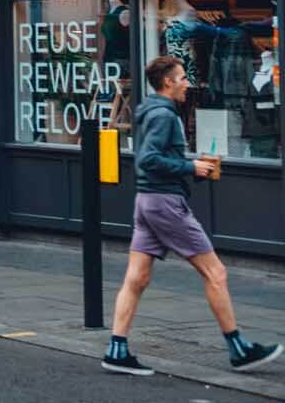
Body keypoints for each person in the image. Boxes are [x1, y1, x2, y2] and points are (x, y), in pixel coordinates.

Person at [101, 56, 281, 375]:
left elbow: (157, 158)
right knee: (216, 273)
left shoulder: (151, 111)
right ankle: (238, 348)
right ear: (168, 82)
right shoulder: (164, 115)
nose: (188, 83)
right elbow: (148, 159)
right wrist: (189, 166)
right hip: (166, 204)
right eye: (183, 78)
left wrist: (193, 169)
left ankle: (117, 349)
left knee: (137, 277)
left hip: (147, 201)